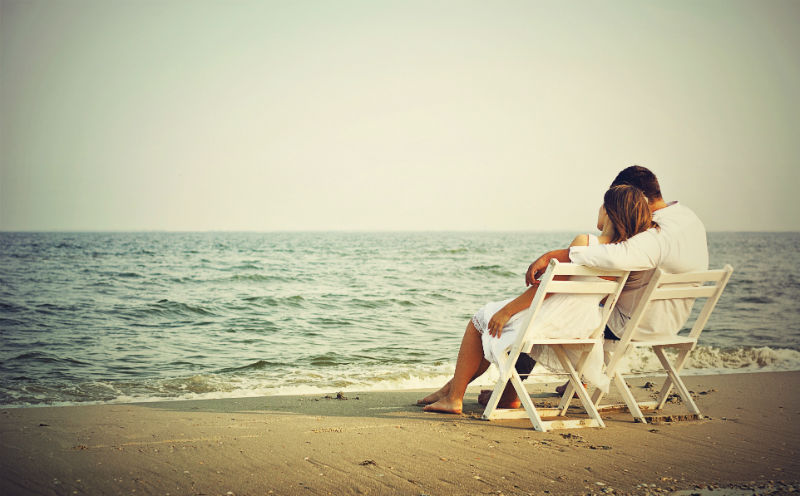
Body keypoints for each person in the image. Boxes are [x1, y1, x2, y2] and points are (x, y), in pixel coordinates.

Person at [418, 184, 653, 414]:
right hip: (582, 326)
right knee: (490, 324)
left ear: (609, 211)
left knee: (480, 320)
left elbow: (548, 289)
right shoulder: (626, 256)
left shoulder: (586, 242)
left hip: (552, 320)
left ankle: (454, 397)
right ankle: (448, 391)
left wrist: (508, 310)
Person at [483, 165, 709, 403]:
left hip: (635, 325)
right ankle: (578, 379)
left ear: (635, 196)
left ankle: (509, 393)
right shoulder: (687, 218)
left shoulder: (655, 234)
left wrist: (557, 254)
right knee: (586, 298)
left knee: (547, 312)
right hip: (673, 322)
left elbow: (610, 254)